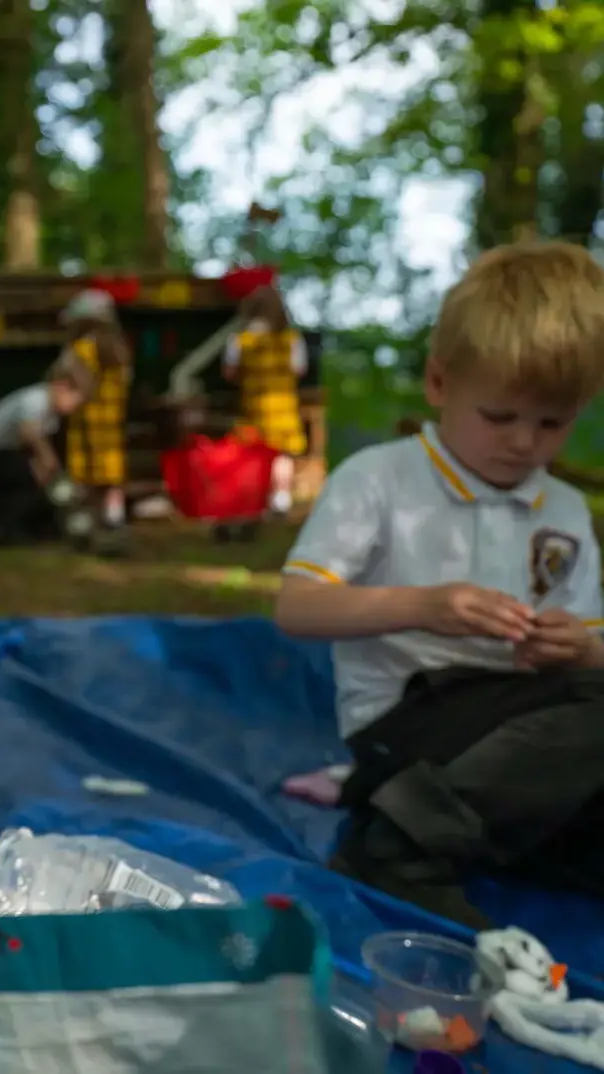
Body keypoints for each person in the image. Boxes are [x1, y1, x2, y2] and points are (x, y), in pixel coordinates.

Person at [274, 240, 604, 927]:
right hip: (406, 721)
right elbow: (297, 607)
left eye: (552, 423)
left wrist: (576, 646)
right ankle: (398, 848)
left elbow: (592, 652)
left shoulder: (564, 510)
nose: (523, 443)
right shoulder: (380, 479)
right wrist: (422, 606)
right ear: (439, 383)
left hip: (528, 730)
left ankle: (493, 843)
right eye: (499, 417)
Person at [0, 357, 88, 544]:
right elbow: (28, 432)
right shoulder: (35, 399)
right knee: (26, 483)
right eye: (75, 400)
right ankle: (9, 529)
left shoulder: (52, 414)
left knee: (39, 484)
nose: (74, 407)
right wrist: (46, 459)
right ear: (62, 387)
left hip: (10, 451)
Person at [222, 284, 307, 516]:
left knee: (253, 455)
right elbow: (299, 370)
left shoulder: (241, 340)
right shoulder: (292, 339)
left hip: (254, 405)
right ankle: (280, 500)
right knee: (282, 454)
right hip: (284, 406)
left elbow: (229, 372)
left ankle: (255, 500)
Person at [59, 289, 133, 553]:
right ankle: (115, 525)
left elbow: (82, 388)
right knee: (111, 481)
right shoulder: (119, 349)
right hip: (111, 424)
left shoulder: (80, 350)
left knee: (86, 484)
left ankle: (86, 531)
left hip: (86, 425)